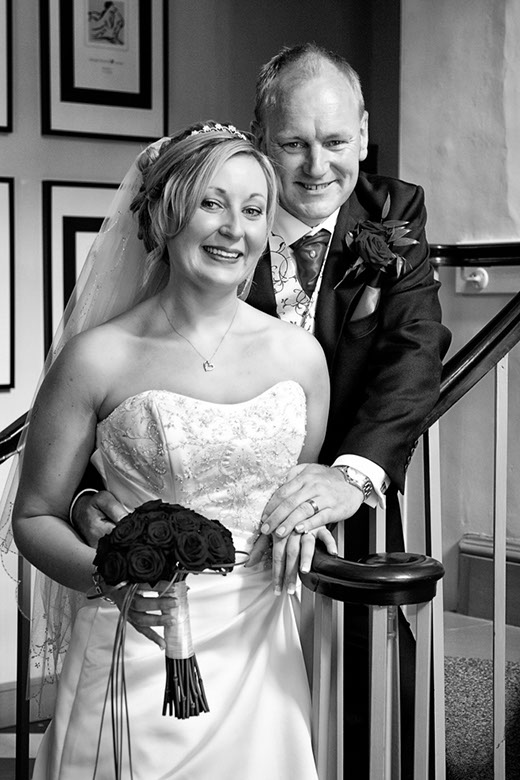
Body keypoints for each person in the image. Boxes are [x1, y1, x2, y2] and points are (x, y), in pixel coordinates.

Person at [72, 44, 452, 776]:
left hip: (344, 527)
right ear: (259, 135)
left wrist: (352, 475)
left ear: (363, 134)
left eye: (335, 141)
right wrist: (89, 496)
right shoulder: (212, 219)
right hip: (196, 563)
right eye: (293, 144)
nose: (317, 167)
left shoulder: (393, 213)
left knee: (374, 715)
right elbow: (135, 389)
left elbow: (414, 352)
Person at [10, 122, 337, 779]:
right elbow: (34, 516)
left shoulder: (302, 359)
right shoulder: (97, 357)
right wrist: (110, 577)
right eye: (212, 203)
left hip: (262, 653)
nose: (233, 229)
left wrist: (308, 520)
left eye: (253, 210)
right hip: (135, 648)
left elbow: (297, 491)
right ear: (165, 213)